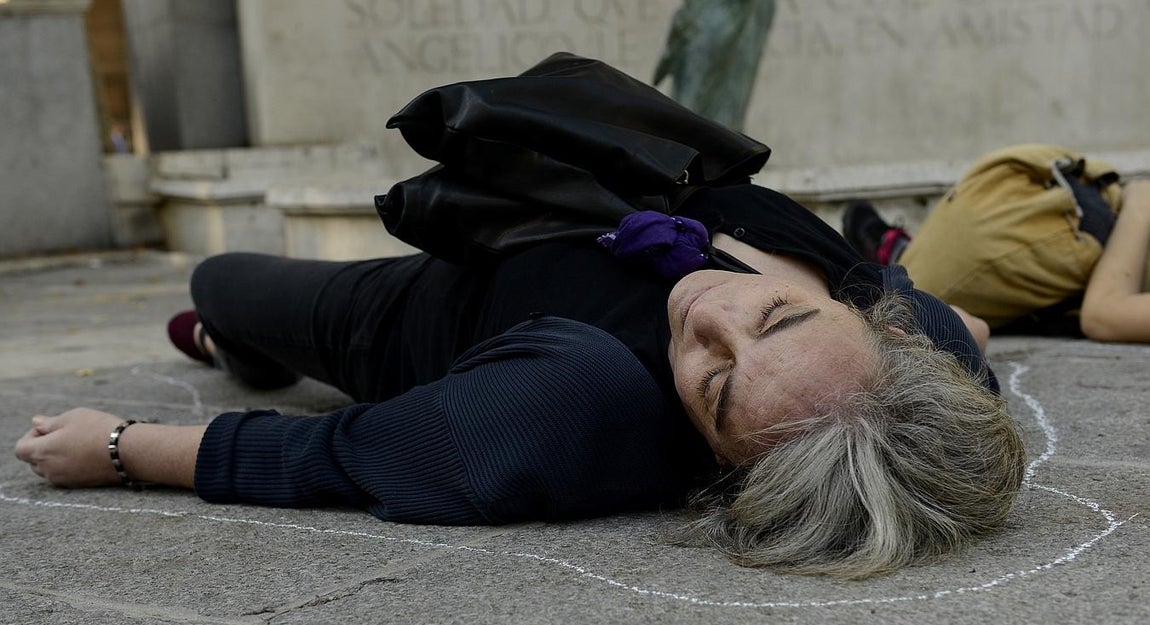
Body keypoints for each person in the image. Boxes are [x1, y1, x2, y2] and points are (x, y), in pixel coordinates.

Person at [13, 61, 1025, 580]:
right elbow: (957, 337)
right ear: (882, 328)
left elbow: (343, 451)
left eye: (716, 386)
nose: (709, 316)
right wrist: (972, 335)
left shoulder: (568, 405)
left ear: (725, 461)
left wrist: (117, 446)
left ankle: (239, 342)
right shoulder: (908, 345)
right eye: (774, 315)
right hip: (536, 206)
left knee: (223, 278)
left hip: (414, 316)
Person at [842, 144, 1150, 342]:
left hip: (1070, 237)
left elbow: (1105, 315)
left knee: (937, 273)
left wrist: (1139, 204)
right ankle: (900, 253)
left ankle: (897, 255)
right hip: (1066, 198)